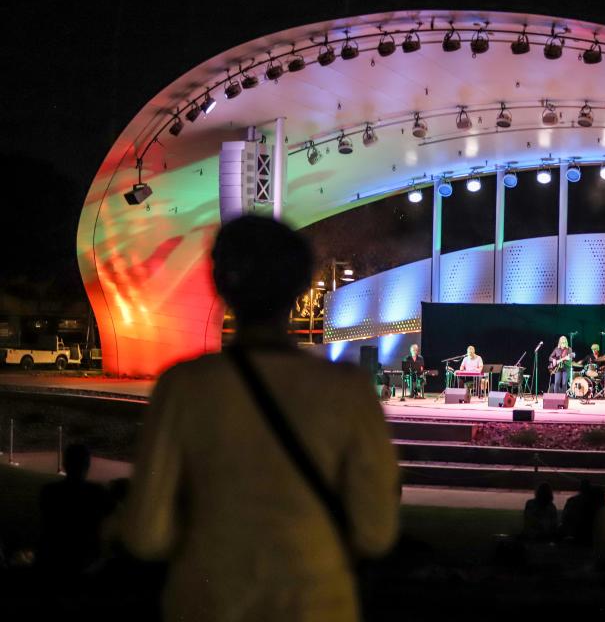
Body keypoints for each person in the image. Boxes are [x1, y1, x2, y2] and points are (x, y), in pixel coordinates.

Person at [121, 215, 400, 622]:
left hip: (207, 604)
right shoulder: (348, 392)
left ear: (219, 284)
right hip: (317, 605)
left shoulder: (184, 388)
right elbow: (376, 533)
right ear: (302, 286)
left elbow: (146, 535)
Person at [38, 443, 109, 575]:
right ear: (87, 465)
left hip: (53, 558)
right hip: (85, 561)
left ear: (65, 464)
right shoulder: (97, 492)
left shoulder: (49, 491)